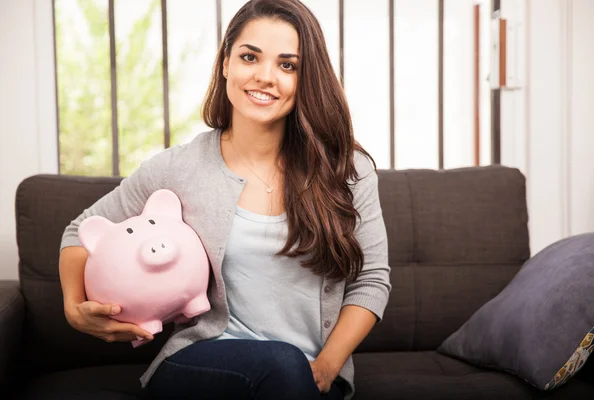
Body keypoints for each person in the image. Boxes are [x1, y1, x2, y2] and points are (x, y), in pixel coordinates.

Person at [58, 0, 391, 399]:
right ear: (226, 64)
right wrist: (74, 308)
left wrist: (326, 367)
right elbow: (80, 232)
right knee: (281, 364)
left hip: (309, 375)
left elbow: (371, 281)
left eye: (287, 65)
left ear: (305, 79)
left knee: (288, 370)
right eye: (250, 57)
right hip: (205, 362)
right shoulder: (179, 166)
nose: (266, 77)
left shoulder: (347, 169)